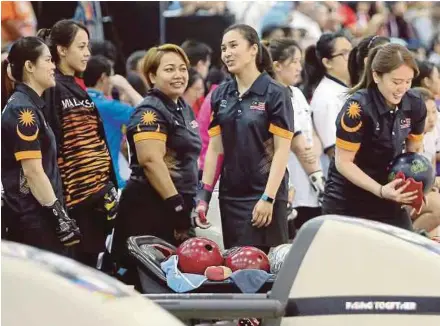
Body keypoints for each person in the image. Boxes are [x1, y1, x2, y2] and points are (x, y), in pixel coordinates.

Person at [194, 24, 294, 253]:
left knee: (265, 270)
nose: (227, 53)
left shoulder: (276, 93)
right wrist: (204, 197)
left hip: (266, 195)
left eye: (233, 45)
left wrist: (268, 198)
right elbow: (215, 150)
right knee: (236, 267)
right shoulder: (220, 94)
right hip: (231, 198)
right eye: (223, 48)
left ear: (253, 50)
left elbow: (281, 150)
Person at [111, 44, 203, 288]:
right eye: (170, 69)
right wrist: (176, 206)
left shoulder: (181, 107)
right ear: (152, 76)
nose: (179, 75)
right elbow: (151, 161)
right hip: (151, 208)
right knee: (148, 285)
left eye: (183, 69)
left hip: (177, 206)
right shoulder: (149, 111)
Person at [37, 19, 118, 269]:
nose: (87, 54)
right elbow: (51, 146)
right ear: (62, 50)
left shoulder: (76, 87)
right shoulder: (53, 88)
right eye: (81, 47)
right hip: (74, 202)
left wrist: (108, 185)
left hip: (96, 198)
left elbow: (94, 139)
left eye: (88, 47)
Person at [322, 43, 427, 230]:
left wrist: (418, 186)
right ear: (376, 75)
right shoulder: (356, 109)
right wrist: (379, 190)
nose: (402, 88)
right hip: (347, 200)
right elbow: (343, 162)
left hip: (389, 194)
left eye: (408, 81)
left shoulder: (416, 104)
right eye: (396, 82)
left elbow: (413, 152)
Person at [1, 36, 80, 255]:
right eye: (48, 60)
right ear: (29, 66)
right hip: (33, 221)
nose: (54, 66)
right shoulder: (22, 111)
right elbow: (33, 172)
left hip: (38, 218)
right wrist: (59, 217)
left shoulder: (30, 106)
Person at [265, 38, 325, 235]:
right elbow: (296, 143)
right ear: (277, 65)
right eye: (294, 62)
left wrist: (313, 150)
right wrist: (317, 178)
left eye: (300, 62)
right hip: (293, 179)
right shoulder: (273, 95)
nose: (299, 67)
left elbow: (311, 130)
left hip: (311, 171)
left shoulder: (297, 93)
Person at [83, 55, 143, 189]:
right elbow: (148, 115)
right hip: (111, 179)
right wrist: (126, 86)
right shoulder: (109, 107)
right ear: (103, 78)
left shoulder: (77, 102)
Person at [303, 32, 353, 176]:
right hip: (341, 181)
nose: (351, 58)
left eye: (351, 52)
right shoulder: (326, 97)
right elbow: (334, 151)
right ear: (327, 62)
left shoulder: (345, 89)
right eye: (344, 54)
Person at [410, 87, 440, 234]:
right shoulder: (406, 136)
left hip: (425, 186)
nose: (432, 118)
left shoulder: (431, 133)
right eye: (426, 114)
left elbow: (432, 163)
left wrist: (433, 183)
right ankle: (407, 239)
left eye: (434, 111)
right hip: (406, 192)